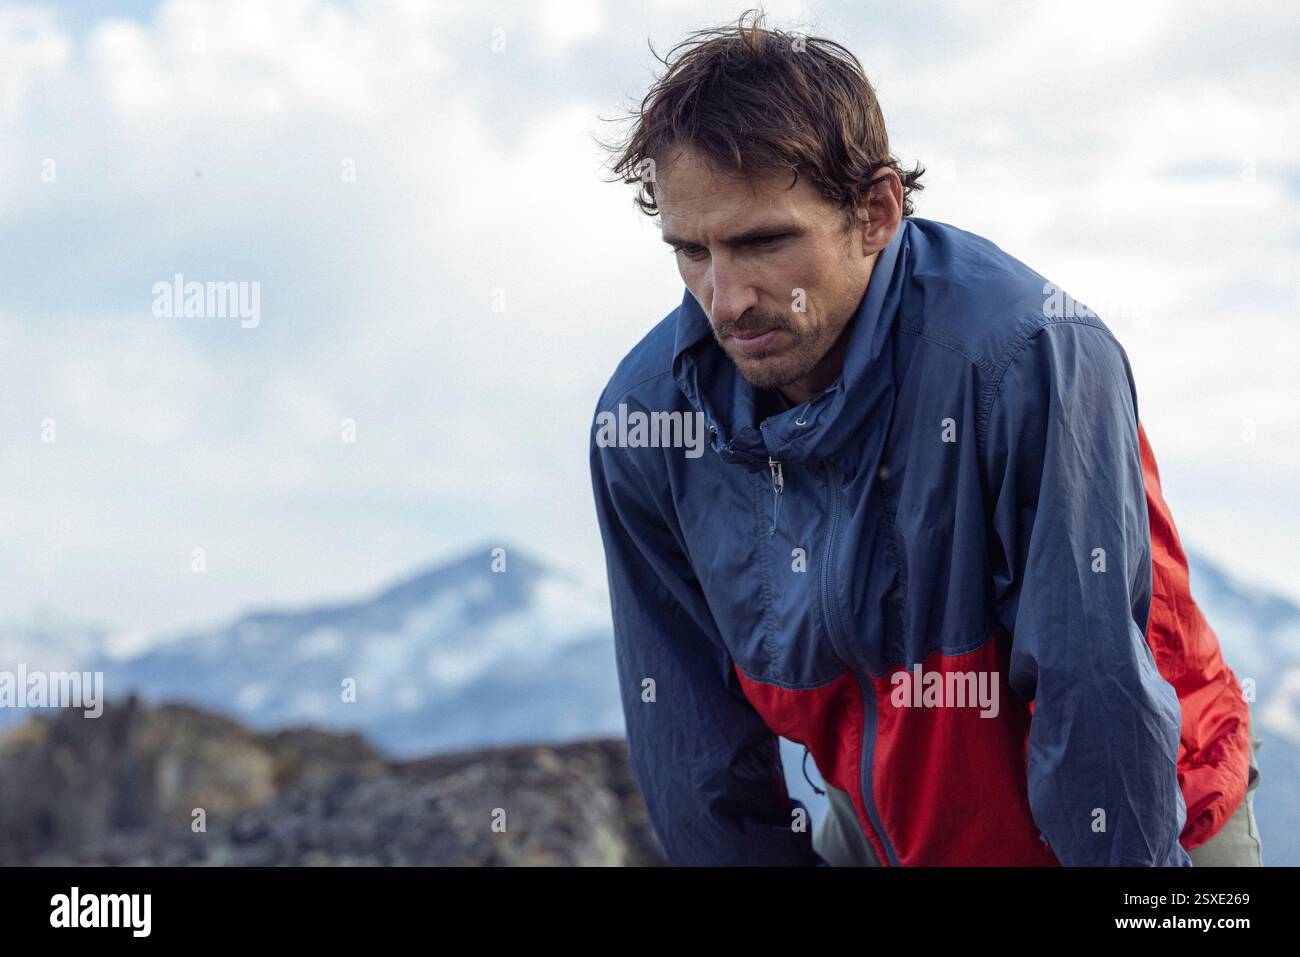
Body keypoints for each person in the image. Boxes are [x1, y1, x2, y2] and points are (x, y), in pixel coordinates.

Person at [588, 10, 1258, 866]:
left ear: (875, 211)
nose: (725, 299)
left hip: (1151, 811)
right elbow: (697, 755)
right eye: (691, 251)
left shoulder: (1028, 358)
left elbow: (1095, 699)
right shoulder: (647, 427)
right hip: (888, 823)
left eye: (763, 242)